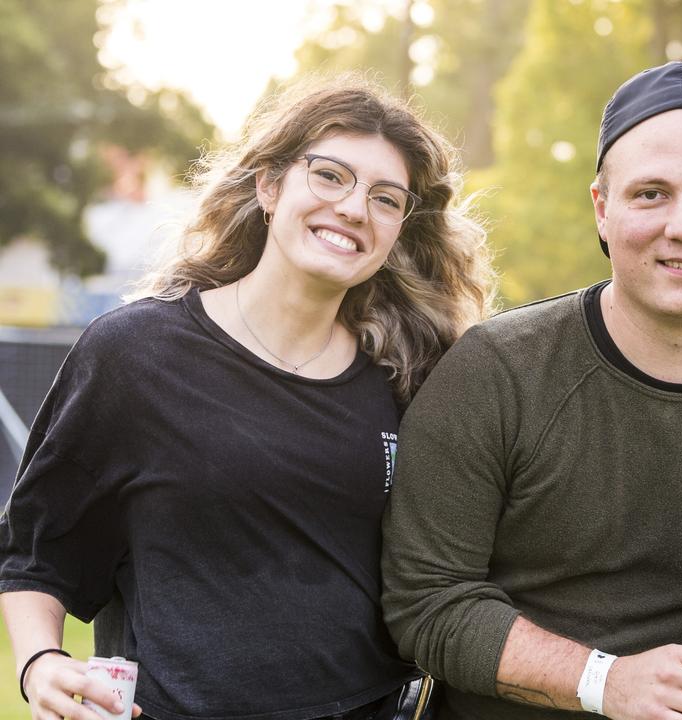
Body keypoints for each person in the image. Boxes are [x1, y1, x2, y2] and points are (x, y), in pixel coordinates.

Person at [0, 75, 494, 720]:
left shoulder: (411, 376)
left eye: (385, 198)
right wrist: (40, 664)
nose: (353, 209)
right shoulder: (135, 355)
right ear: (269, 186)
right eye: (330, 176)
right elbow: (37, 553)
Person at [380, 61, 682, 720]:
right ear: (603, 210)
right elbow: (427, 601)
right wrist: (605, 680)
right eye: (651, 194)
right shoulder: (496, 371)